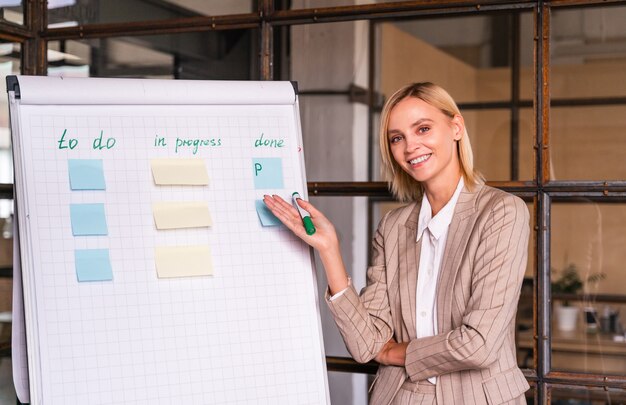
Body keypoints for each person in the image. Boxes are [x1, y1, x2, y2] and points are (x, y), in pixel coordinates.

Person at [264, 82, 530, 405]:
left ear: (456, 127)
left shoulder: (501, 213)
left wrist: (397, 353)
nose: (410, 147)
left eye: (423, 129)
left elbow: (479, 343)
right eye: (397, 138)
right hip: (401, 397)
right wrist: (329, 250)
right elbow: (366, 346)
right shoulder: (393, 227)